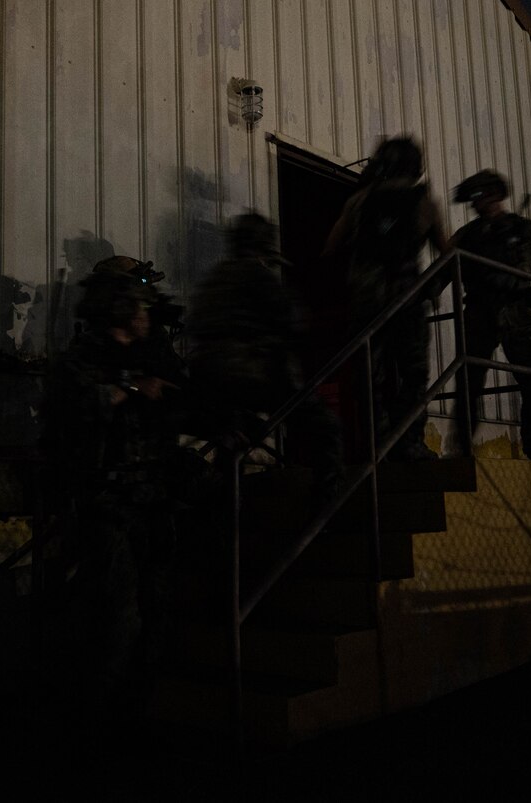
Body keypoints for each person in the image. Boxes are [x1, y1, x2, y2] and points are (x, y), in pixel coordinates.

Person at [38, 259, 183, 730]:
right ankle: (95, 723)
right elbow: (76, 404)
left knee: (159, 614)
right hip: (107, 507)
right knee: (118, 622)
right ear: (120, 309)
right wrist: (131, 388)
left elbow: (182, 402)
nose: (148, 316)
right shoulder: (84, 359)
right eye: (141, 306)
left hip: (153, 503)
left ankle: (139, 713)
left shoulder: (152, 357)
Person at [188, 213, 344, 497]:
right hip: (253, 378)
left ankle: (226, 499)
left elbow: (196, 325)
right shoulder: (259, 275)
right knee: (326, 426)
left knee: (236, 437)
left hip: (209, 385)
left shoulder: (214, 278)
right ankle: (329, 505)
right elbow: (295, 322)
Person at [320, 136, 450, 462]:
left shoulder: (359, 202)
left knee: (369, 377)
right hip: (407, 300)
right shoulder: (425, 203)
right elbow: (448, 255)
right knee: (413, 376)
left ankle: (377, 445)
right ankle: (411, 444)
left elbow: (330, 249)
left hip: (366, 303)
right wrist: (432, 289)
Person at [448, 168, 531, 461]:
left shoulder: (522, 229)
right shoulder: (468, 235)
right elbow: (444, 266)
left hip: (518, 310)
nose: (475, 203)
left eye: (480, 195)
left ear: (494, 195)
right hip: (479, 311)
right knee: (469, 382)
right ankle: (461, 448)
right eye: (472, 198)